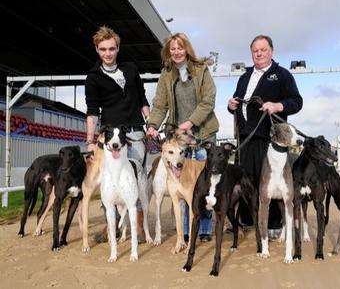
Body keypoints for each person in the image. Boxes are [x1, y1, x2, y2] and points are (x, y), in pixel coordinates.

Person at [146, 33, 219, 242]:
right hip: (180, 140)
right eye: (172, 49)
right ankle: (186, 231)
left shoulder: (201, 70)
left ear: (187, 49)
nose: (177, 52)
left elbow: (208, 101)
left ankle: (204, 230)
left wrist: (189, 123)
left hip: (203, 133)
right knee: (184, 184)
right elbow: (160, 105)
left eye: (180, 48)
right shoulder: (166, 75)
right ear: (169, 52)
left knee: (203, 184)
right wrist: (152, 125)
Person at [227, 35, 303, 237]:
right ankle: (248, 221)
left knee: (269, 182)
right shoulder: (244, 77)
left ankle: (274, 225)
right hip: (245, 138)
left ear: (272, 51)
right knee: (247, 181)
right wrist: (231, 105)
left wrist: (277, 105)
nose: (259, 53)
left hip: (269, 139)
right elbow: (237, 101)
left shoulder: (282, 75)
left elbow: (297, 101)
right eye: (255, 51)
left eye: (263, 50)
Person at [85, 26, 151, 242]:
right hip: (110, 139)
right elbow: (93, 112)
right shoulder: (93, 77)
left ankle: (138, 228)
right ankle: (111, 226)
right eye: (103, 49)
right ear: (97, 49)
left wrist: (150, 124)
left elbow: (142, 100)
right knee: (110, 182)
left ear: (118, 48)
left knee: (137, 181)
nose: (108, 53)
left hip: (135, 134)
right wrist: (91, 142)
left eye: (112, 48)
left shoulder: (131, 69)